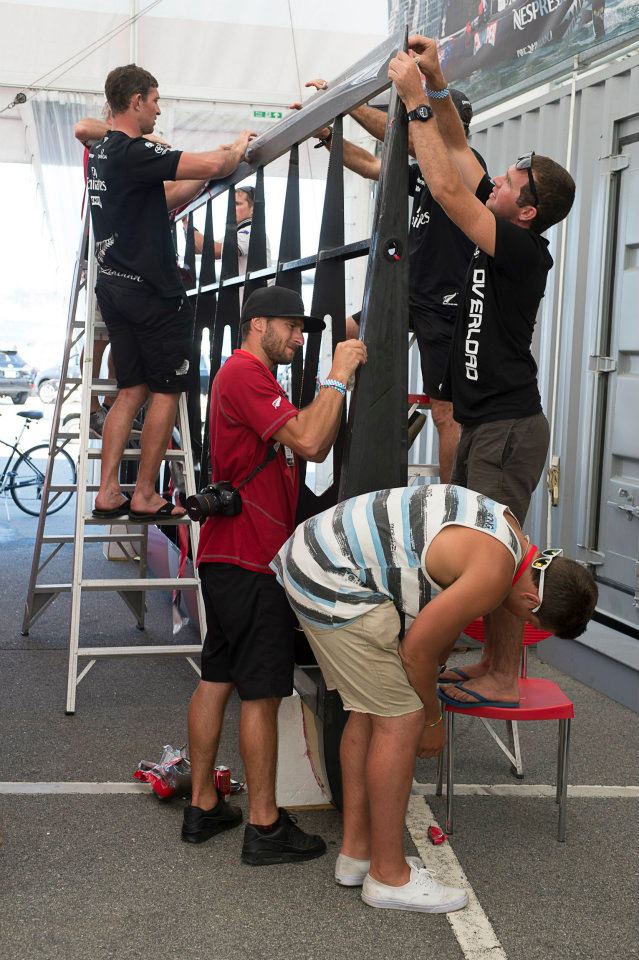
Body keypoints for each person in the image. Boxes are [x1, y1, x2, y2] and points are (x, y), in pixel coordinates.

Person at [272, 482, 597, 911]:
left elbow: (435, 620)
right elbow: (417, 652)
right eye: (530, 619)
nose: (520, 622)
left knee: (370, 711)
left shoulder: (512, 537)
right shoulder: (494, 574)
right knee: (402, 718)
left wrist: (429, 686)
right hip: (333, 579)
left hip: (316, 555)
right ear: (532, 598)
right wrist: (431, 720)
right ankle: (388, 877)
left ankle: (358, 854)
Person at [388, 37, 577, 707]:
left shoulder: (519, 248)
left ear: (524, 209)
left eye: (506, 185)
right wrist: (436, 86)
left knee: (500, 557)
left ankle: (503, 671)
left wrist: (411, 101)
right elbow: (461, 158)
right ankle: (495, 665)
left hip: (507, 426)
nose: (493, 181)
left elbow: (443, 183)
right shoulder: (504, 218)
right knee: (488, 546)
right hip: (483, 422)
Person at [182, 285, 367, 865]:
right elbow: (313, 442)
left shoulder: (250, 377)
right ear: (257, 323)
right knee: (261, 692)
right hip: (249, 558)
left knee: (218, 674)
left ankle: (204, 804)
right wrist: (338, 374)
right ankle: (263, 826)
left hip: (231, 555)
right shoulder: (244, 374)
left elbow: (305, 435)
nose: (298, 336)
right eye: (290, 326)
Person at [85, 63, 254, 521]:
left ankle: (107, 493)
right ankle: (142, 494)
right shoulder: (132, 152)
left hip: (115, 287)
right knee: (166, 391)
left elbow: (161, 199)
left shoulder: (103, 152)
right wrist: (237, 146)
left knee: (130, 389)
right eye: (155, 100)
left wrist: (204, 172)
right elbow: (217, 164)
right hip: (150, 293)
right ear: (136, 100)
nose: (159, 110)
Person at [299, 78, 485, 483]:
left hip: (445, 303)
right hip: (408, 293)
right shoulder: (423, 170)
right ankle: (370, 413)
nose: (411, 131)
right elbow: (371, 164)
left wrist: (346, 102)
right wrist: (331, 135)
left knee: (445, 413)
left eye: (420, 121)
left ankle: (450, 503)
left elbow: (402, 138)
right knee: (338, 332)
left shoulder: (464, 163)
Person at [185, 185, 271, 283]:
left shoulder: (250, 231)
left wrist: (189, 227)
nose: (231, 208)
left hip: (254, 296)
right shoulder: (238, 233)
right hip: (246, 296)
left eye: (237, 204)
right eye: (231, 204)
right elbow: (199, 249)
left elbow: (213, 250)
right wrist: (186, 225)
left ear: (253, 210)